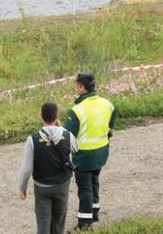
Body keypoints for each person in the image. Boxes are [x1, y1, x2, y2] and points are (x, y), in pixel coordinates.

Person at [64, 73, 116, 231]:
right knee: (94, 181)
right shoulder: (108, 104)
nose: (76, 87)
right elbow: (111, 126)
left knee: (85, 188)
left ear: (81, 87)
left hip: (84, 156)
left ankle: (84, 224)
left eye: (77, 85)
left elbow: (69, 137)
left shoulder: (77, 111)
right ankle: (94, 213)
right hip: (102, 152)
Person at [18, 102, 78, 234]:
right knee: (58, 220)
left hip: (42, 187)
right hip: (62, 184)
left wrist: (22, 187)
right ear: (57, 116)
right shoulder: (68, 135)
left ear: (41, 116)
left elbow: (26, 168)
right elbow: (75, 150)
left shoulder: (32, 140)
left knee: (43, 220)